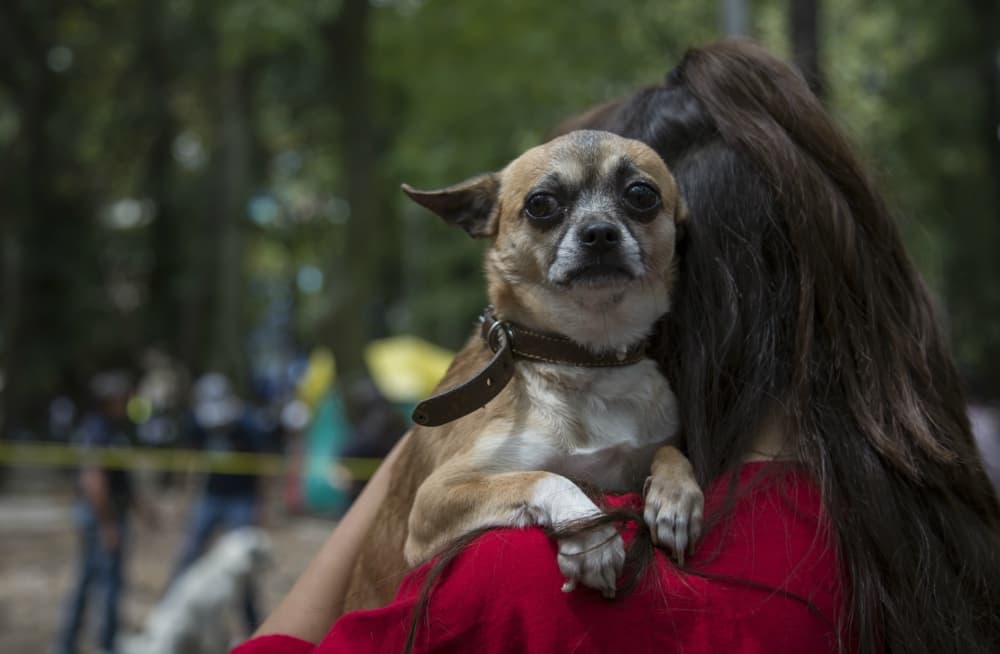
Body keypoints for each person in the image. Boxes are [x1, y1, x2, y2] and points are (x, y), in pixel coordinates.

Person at [232, 40, 1000, 653]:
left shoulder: (518, 581)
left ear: (683, 276)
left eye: (637, 204)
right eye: (549, 208)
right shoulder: (934, 533)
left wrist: (433, 440)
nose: (597, 231)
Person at [167, 372, 270, 633]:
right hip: (211, 496)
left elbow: (262, 468)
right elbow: (188, 459)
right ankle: (170, 614)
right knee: (189, 553)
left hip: (241, 499)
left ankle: (252, 627)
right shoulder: (197, 424)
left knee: (243, 565)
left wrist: (260, 506)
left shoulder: (248, 424)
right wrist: (184, 498)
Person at [55, 370, 140, 654]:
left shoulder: (111, 429)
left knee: (88, 580)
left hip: (105, 514)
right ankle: (103, 645)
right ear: (108, 399)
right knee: (105, 585)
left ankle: (69, 645)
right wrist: (108, 524)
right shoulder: (97, 430)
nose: (126, 401)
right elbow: (93, 480)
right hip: (102, 516)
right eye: (121, 396)